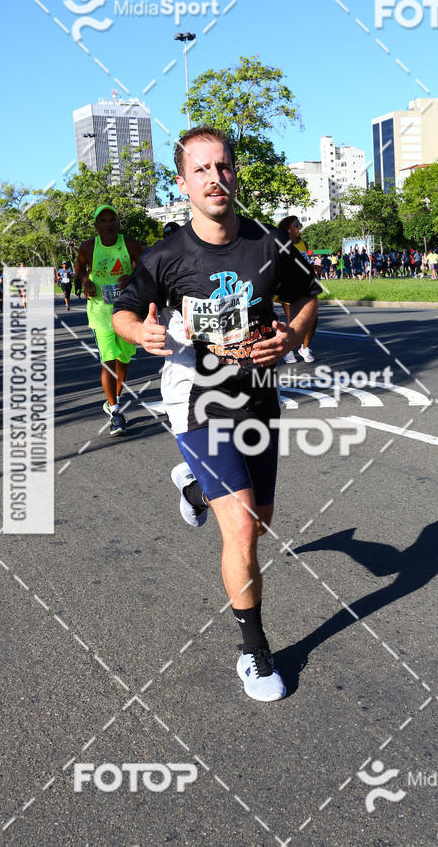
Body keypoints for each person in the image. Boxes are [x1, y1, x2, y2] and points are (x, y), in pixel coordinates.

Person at [112, 126, 319, 702]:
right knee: (244, 527)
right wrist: (141, 331)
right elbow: (124, 312)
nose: (214, 178)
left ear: (235, 173)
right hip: (197, 398)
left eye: (222, 166)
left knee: (264, 519)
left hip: (257, 396)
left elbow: (305, 299)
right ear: (183, 183)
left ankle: (196, 489)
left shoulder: (266, 245)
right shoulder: (166, 255)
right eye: (200, 170)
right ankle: (254, 652)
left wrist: (292, 335)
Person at [75, 206, 145, 435]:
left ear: (117, 222)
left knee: (123, 361)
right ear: (96, 226)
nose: (108, 224)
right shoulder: (88, 246)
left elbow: (145, 265)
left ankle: (112, 399)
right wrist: (86, 281)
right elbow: (79, 267)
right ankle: (115, 412)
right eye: (103, 220)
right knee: (108, 359)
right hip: (100, 314)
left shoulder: (129, 243)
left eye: (112, 219)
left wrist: (132, 276)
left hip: (126, 311)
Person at [277, 216, 316, 363]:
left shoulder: (303, 244)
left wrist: (314, 266)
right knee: (293, 321)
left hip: (305, 285)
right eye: (297, 225)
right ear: (288, 228)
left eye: (300, 225)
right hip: (287, 285)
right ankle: (287, 350)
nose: (300, 227)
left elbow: (307, 261)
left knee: (311, 319)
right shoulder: (281, 243)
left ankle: (304, 348)